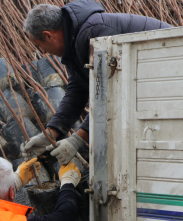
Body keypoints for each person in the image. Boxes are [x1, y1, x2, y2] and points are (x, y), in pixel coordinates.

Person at [22, 0, 171, 164]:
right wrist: (50, 133)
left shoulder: (95, 33)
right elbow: (78, 89)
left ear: (48, 35)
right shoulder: (75, 40)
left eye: (39, 45)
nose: (43, 52)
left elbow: (112, 93)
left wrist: (78, 138)